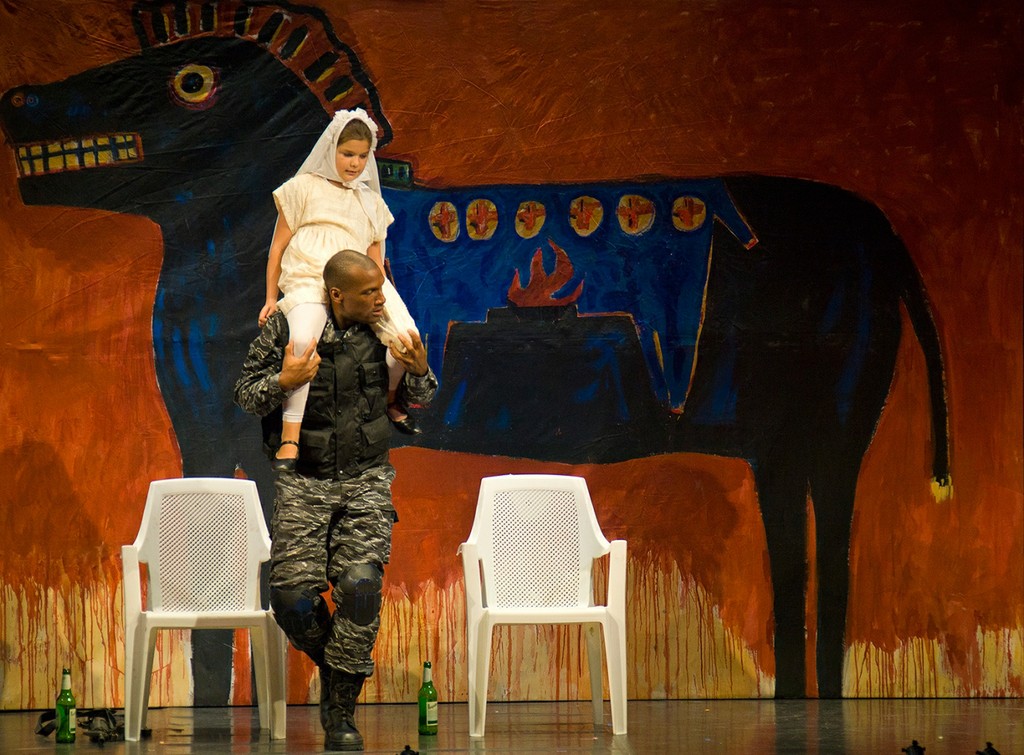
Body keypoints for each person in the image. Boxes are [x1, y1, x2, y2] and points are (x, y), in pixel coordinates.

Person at [234, 250, 437, 752]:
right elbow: (245, 393)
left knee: (361, 588)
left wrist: (419, 373)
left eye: (381, 289)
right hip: (304, 480)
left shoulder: (386, 331)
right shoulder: (289, 327)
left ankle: (340, 710)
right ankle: (337, 669)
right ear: (337, 295)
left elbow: (420, 398)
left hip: (366, 481)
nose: (380, 299)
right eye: (369, 292)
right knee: (292, 600)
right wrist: (284, 381)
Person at [260, 108, 421, 473]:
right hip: (310, 276)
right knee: (303, 341)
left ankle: (391, 400)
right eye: (348, 154)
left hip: (358, 284)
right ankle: (290, 435)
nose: (354, 163)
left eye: (362, 156)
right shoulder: (303, 188)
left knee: (406, 337)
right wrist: (270, 298)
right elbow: (277, 248)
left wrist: (384, 298)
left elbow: (376, 262)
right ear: (332, 148)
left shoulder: (370, 202)